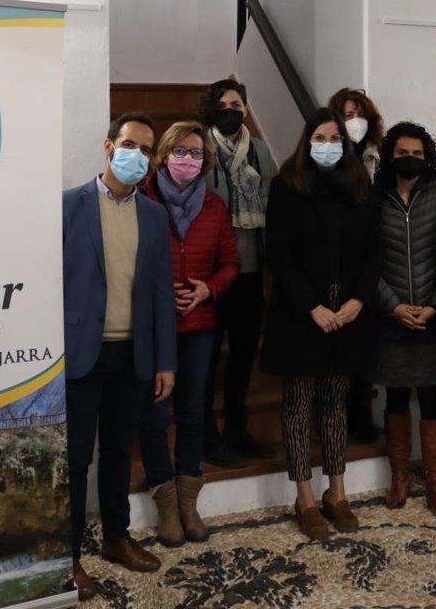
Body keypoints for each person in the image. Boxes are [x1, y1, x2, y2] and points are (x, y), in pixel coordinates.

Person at [62, 113, 177, 600]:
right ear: (109, 146)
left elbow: (161, 292)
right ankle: (67, 557)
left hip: (133, 354)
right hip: (78, 356)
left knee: (116, 452)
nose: (138, 155)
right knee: (74, 459)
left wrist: (166, 360)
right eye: (130, 145)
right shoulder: (68, 206)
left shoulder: (154, 215)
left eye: (146, 149)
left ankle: (116, 538)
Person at [260, 107, 381, 540]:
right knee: (297, 405)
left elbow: (373, 252)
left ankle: (337, 492)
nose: (328, 146)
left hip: (347, 312)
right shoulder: (286, 186)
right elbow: (279, 253)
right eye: (320, 138)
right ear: (307, 141)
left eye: (335, 139)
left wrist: (358, 300)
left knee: (335, 403)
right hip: (301, 312)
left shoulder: (359, 186)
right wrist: (312, 306)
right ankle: (305, 498)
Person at [138, 121, 240, 547]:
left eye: (196, 152)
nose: (188, 159)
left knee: (194, 412)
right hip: (153, 326)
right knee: (154, 414)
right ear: (163, 155)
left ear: (206, 161)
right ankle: (165, 505)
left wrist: (207, 289)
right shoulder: (142, 198)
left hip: (199, 326)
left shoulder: (214, 207)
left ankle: (188, 502)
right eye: (179, 151)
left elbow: (231, 263)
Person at [370, 122, 436, 521]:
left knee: (434, 399)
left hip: (432, 317)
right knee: (396, 396)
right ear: (390, 156)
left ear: (428, 157)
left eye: (417, 153)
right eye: (403, 152)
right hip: (391, 318)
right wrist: (393, 306)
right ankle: (401, 475)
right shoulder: (374, 198)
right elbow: (366, 261)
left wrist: (434, 304)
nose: (410, 159)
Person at [198, 79, 277, 464]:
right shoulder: (199, 147)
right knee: (208, 356)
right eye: (225, 104)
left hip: (250, 270)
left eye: (238, 104)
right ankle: (206, 437)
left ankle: (237, 428)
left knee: (244, 354)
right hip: (212, 273)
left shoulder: (259, 150)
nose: (232, 111)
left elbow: (271, 202)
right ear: (211, 108)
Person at [328, 87, 386, 444]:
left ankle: (362, 417)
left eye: (360, 115)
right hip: (340, 265)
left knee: (366, 348)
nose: (355, 122)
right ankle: (339, 420)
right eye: (347, 115)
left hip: (375, 258)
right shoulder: (329, 160)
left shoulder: (379, 158)